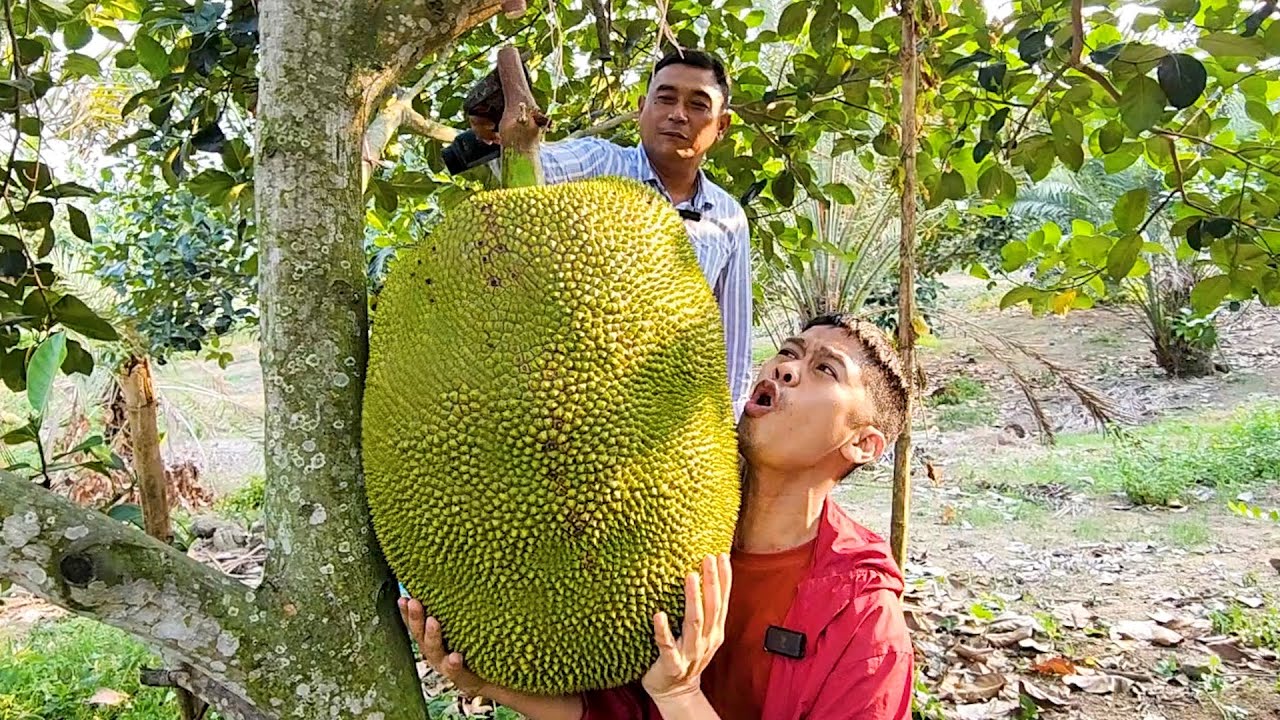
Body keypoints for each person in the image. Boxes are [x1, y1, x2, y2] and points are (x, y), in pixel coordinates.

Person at [398, 313, 916, 720]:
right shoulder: (662, 517)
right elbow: (618, 709)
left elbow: (661, 699)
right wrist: (488, 683)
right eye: (788, 352)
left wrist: (681, 695)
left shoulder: (865, 626)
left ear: (864, 444)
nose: (783, 368)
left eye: (825, 369)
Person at [467, 48, 754, 420]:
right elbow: (537, 168)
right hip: (560, 398)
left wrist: (729, 424)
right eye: (665, 98)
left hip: (662, 415)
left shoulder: (728, 218)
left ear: (722, 125)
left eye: (698, 105)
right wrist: (508, 133)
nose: (678, 114)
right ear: (641, 109)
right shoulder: (601, 165)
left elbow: (734, 340)